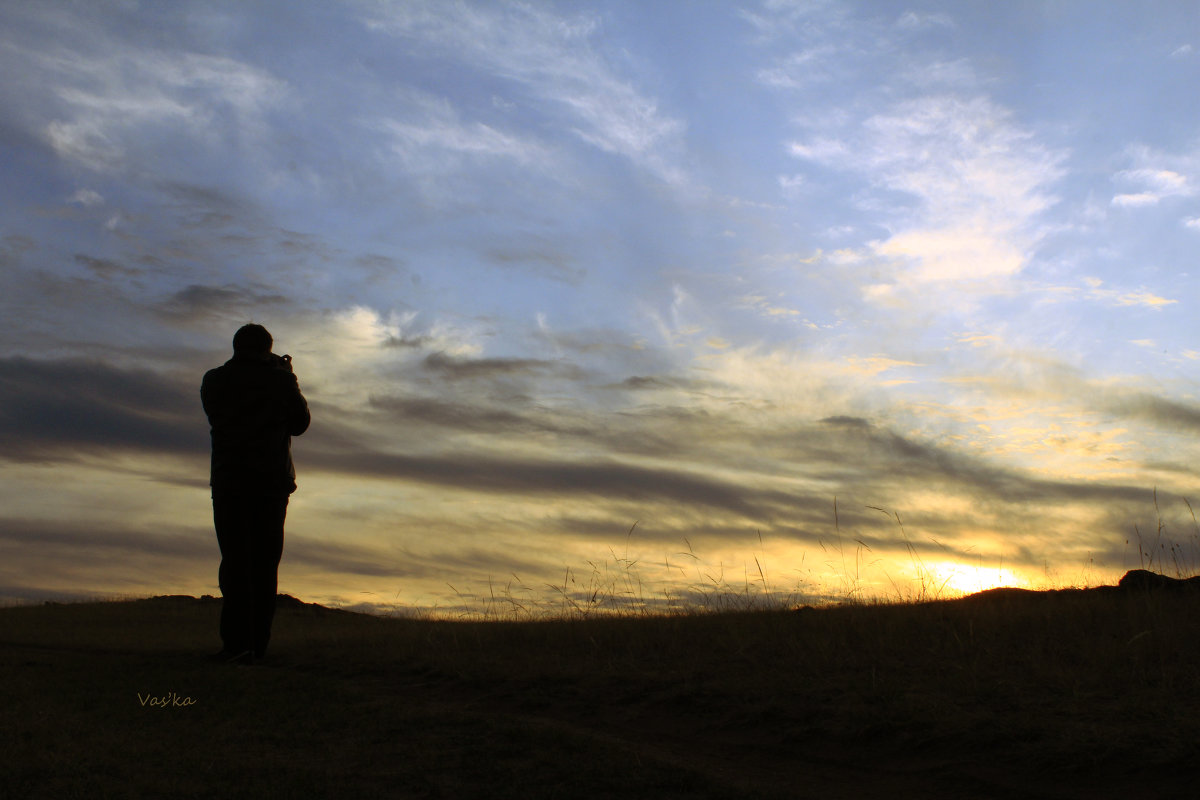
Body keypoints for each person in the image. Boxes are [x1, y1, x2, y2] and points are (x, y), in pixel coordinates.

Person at [201, 323, 310, 664]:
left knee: (234, 563)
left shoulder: (214, 379)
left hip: (229, 483)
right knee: (264, 565)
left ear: (236, 347)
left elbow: (219, 416)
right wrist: (288, 377)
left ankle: (234, 643)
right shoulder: (278, 381)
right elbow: (300, 423)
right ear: (267, 348)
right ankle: (256, 647)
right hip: (269, 486)